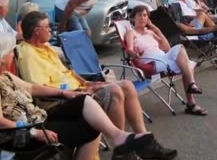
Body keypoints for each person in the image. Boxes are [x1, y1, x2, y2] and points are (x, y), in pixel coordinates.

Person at [17, 11, 178, 159]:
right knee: (114, 90)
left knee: (127, 85)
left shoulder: (46, 48)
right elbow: (38, 87)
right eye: (47, 27)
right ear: (36, 30)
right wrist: (77, 90)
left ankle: (144, 141)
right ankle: (121, 149)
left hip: (78, 90)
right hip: (61, 102)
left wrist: (88, 83)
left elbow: (68, 73)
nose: (51, 30)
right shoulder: (28, 53)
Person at [125, 6, 208, 116]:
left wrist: (155, 28)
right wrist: (135, 55)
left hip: (163, 57)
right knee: (187, 64)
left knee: (180, 49)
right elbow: (129, 50)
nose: (143, 18)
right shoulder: (131, 33)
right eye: (139, 15)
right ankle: (191, 102)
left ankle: (192, 88)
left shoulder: (150, 32)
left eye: (145, 15)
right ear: (133, 18)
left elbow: (167, 47)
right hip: (152, 62)